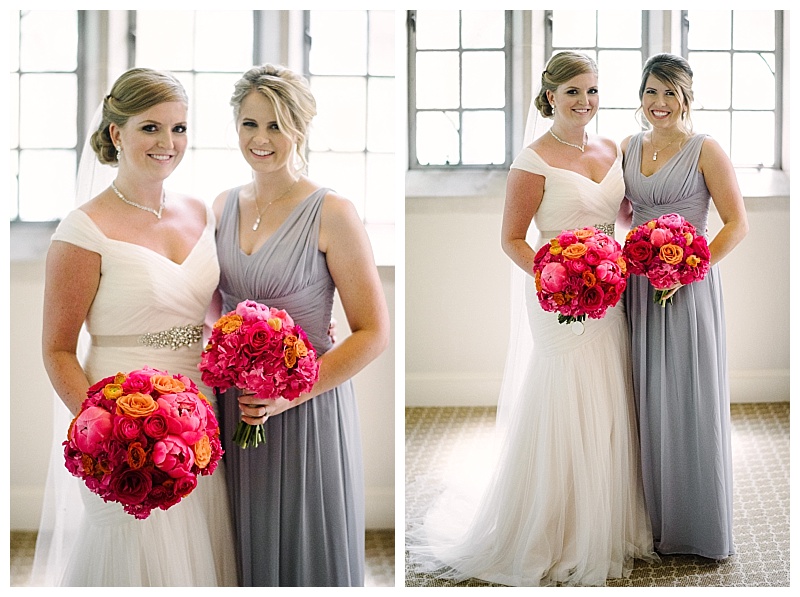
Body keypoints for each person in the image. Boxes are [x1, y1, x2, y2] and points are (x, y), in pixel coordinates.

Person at [406, 51, 655, 586]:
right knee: (565, 394)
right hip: (558, 296)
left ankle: (605, 519)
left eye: (591, 91)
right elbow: (513, 239)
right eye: (572, 93)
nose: (584, 102)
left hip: (610, 292)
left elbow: (628, 218)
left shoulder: (614, 148)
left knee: (609, 390)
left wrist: (639, 253)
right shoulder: (533, 159)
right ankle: (554, 526)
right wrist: (556, 275)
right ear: (550, 96)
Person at [31, 67, 237, 586]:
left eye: (180, 128)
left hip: (201, 411)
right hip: (124, 421)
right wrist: (107, 431)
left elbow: (216, 311)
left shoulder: (200, 211)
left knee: (201, 547)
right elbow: (57, 350)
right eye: (151, 128)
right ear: (116, 133)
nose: (168, 143)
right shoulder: (83, 229)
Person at [211, 63, 390, 587]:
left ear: (300, 128)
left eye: (276, 125)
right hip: (234, 404)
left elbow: (373, 332)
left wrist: (287, 396)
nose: (261, 139)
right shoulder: (222, 206)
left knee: (301, 547)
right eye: (250, 124)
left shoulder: (333, 212)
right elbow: (211, 306)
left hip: (305, 407)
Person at [621, 53, 747, 560]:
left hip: (689, 288)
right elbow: (621, 212)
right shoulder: (629, 147)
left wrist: (689, 268)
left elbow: (737, 224)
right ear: (641, 95)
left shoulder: (704, 150)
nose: (660, 103)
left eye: (671, 92)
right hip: (638, 286)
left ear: (687, 97)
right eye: (652, 91)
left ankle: (697, 524)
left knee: (688, 397)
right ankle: (649, 520)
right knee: (644, 397)